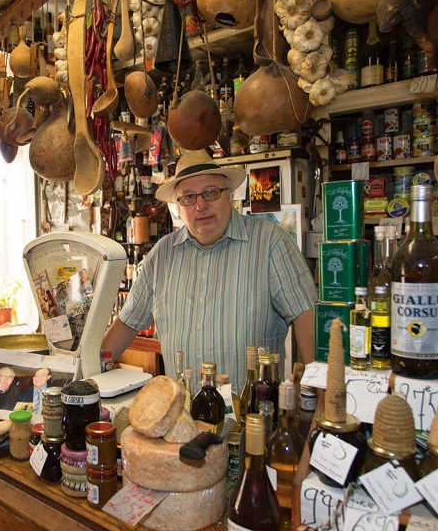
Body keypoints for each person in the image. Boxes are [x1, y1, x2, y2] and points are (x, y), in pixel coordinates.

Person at [101, 149, 316, 394]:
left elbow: (307, 316)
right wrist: (91, 372)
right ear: (179, 206)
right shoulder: (162, 255)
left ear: (230, 195)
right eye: (189, 197)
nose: (200, 205)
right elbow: (127, 323)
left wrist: (317, 397)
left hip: (251, 417)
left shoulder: (270, 243)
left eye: (211, 192)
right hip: (182, 418)